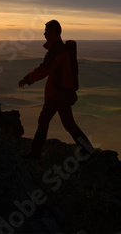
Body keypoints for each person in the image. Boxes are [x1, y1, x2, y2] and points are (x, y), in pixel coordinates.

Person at [18, 20, 95, 159]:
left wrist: (27, 79)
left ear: (54, 32)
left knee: (50, 121)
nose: (44, 33)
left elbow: (44, 69)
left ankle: (36, 153)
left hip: (57, 94)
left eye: (46, 30)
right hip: (61, 93)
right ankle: (88, 150)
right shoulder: (61, 49)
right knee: (64, 123)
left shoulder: (57, 50)